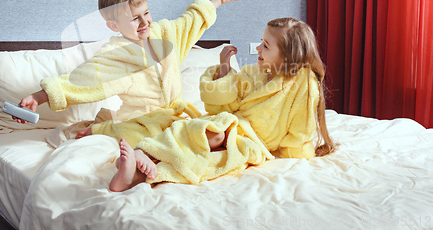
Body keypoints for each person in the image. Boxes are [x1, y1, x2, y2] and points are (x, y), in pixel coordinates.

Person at [109, 17, 337, 192]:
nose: (258, 48)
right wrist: (224, 68)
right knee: (205, 135)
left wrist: (294, 154)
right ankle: (139, 166)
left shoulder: (304, 84)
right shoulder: (255, 74)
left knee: (213, 138)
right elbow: (222, 107)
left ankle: (142, 162)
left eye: (266, 45)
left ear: (287, 58)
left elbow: (302, 128)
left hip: (252, 142)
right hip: (230, 129)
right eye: (261, 42)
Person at [15, 0, 244, 145]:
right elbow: (80, 80)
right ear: (114, 26)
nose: (145, 21)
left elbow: (190, 21)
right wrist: (37, 97)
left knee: (218, 132)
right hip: (139, 121)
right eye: (135, 18)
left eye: (146, 12)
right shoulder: (116, 54)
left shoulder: (165, 33)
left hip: (172, 117)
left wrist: (219, 0)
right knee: (138, 139)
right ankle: (104, 133)